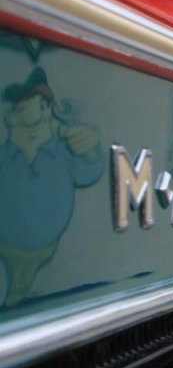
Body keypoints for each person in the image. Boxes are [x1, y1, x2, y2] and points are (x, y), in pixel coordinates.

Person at [0, 67, 103, 305]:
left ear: (47, 109)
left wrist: (90, 149)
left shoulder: (63, 153)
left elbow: (89, 171)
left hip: (49, 253)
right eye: (18, 105)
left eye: (29, 101)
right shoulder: (5, 156)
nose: (20, 106)